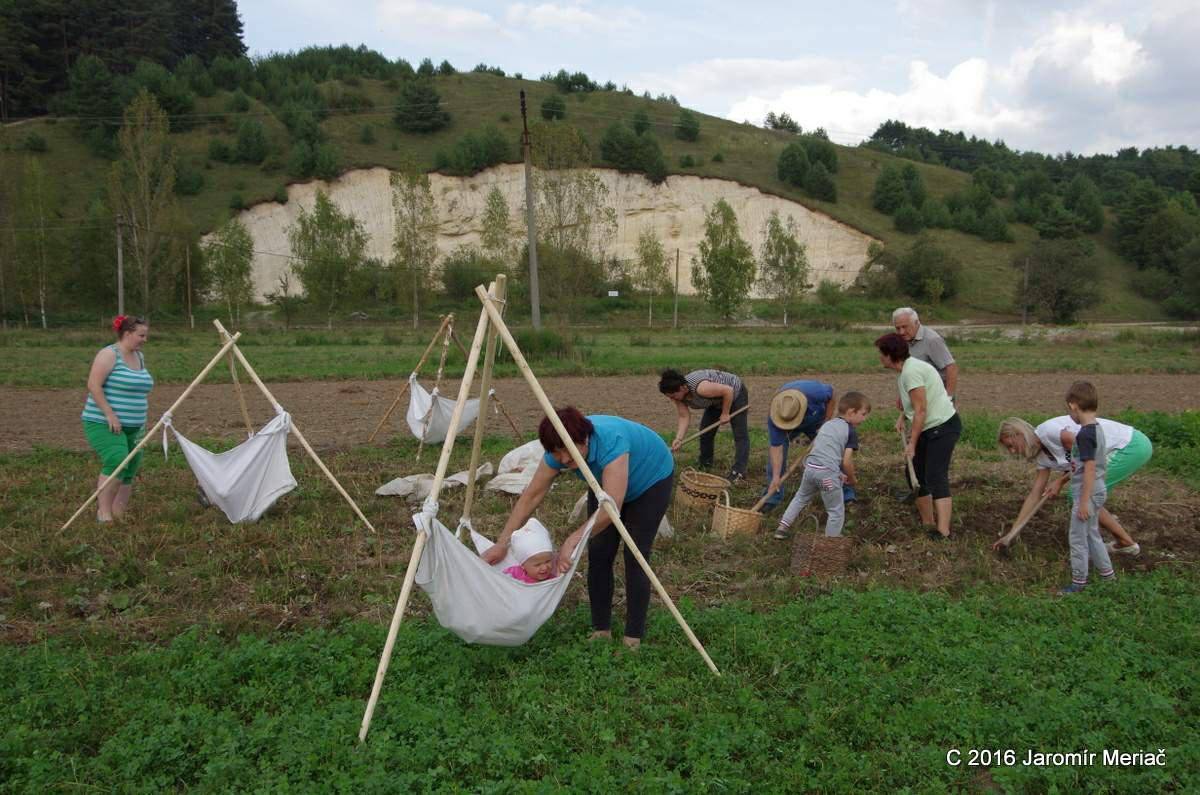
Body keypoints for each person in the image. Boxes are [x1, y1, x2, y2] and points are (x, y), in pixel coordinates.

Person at [481, 407, 674, 649]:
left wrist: (572, 539)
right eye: (557, 453)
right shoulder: (558, 452)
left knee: (636, 553)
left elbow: (611, 506)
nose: (563, 459)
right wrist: (502, 542)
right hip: (606, 487)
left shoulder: (611, 442)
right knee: (599, 551)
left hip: (650, 480)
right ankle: (601, 628)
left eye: (569, 452)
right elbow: (531, 495)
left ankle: (632, 637)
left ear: (585, 439)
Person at [997, 412, 1149, 556]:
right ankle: (1123, 541)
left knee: (1081, 495)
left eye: (1011, 445)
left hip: (1128, 445)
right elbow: (1035, 494)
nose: (1012, 451)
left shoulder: (1049, 433)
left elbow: (1087, 453)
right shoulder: (1041, 457)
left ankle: (1125, 543)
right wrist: (1012, 533)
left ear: (1020, 434)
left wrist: (1061, 481)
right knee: (1081, 495)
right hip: (1111, 452)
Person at [876, 332, 961, 539]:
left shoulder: (910, 372)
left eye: (881, 353)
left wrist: (912, 444)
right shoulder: (907, 370)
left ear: (890, 355)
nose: (879, 357)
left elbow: (921, 409)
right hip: (928, 427)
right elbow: (916, 404)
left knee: (935, 476)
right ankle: (928, 522)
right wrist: (902, 417)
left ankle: (943, 532)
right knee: (914, 474)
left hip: (941, 427)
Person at [81, 315, 154, 523]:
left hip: (135, 425)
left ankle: (118, 513)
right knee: (116, 460)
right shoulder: (108, 354)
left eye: (146, 336)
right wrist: (110, 414)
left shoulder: (139, 357)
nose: (144, 340)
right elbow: (93, 385)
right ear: (127, 333)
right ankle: (103, 514)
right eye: (141, 335)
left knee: (130, 467)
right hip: (105, 422)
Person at [773, 392, 871, 540]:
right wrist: (852, 478)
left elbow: (826, 454)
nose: (865, 418)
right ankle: (829, 543)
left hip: (811, 469)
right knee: (835, 511)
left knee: (800, 497)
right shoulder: (850, 431)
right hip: (827, 476)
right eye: (863, 414)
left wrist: (839, 474)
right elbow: (846, 461)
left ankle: (782, 528)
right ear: (851, 412)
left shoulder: (827, 425)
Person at [1058, 381, 1116, 594]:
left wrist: (1083, 502)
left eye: (1068, 409)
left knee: (1077, 536)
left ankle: (1079, 582)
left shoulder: (1085, 435)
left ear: (1073, 405)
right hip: (1098, 489)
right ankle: (1107, 575)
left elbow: (1089, 469)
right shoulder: (1096, 429)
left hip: (1088, 492)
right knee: (1092, 533)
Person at [761, 381, 848, 512]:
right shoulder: (777, 416)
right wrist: (776, 476)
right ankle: (772, 497)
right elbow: (776, 448)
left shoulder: (814, 392)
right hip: (788, 427)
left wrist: (826, 422)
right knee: (774, 465)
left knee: (831, 451)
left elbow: (833, 394)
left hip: (816, 421)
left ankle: (846, 493)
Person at [659, 368, 749, 481]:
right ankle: (705, 464)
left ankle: (739, 471)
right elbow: (684, 416)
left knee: (740, 435)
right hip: (715, 400)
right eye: (669, 397)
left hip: (735, 394)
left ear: (683, 388)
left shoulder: (701, 388)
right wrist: (679, 438)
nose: (672, 399)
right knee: (705, 433)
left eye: (672, 396)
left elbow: (728, 391)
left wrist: (725, 413)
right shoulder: (678, 395)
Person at [892, 307, 958, 399]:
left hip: (937, 396)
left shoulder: (932, 340)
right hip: (918, 395)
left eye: (905, 327)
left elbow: (951, 368)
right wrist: (902, 396)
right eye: (898, 328)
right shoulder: (904, 340)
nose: (901, 332)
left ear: (916, 322)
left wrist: (948, 397)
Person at [502, 518, 558, 584]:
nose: (544, 568)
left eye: (548, 561)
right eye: (537, 565)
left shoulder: (552, 580)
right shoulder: (514, 573)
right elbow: (501, 580)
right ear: (522, 566)